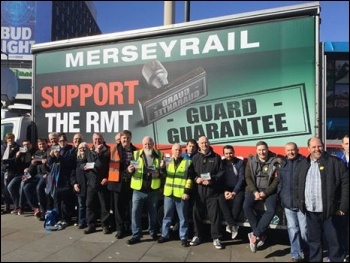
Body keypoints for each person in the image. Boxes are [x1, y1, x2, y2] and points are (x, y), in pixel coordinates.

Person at [294, 137, 348, 262]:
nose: (317, 149)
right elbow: (296, 185)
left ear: (323, 146)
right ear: (308, 149)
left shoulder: (336, 163)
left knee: (334, 242)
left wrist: (343, 207)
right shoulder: (303, 164)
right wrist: (299, 202)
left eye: (319, 146)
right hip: (311, 211)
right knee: (314, 242)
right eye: (313, 147)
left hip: (331, 211)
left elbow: (346, 185)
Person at [126, 136, 165, 245]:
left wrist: (161, 170)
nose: (147, 146)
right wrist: (129, 170)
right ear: (142, 145)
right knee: (135, 213)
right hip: (138, 190)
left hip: (153, 190)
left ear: (153, 144)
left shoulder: (159, 155)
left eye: (149, 143)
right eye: (145, 144)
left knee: (153, 214)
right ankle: (136, 235)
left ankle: (153, 232)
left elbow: (163, 172)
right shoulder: (136, 154)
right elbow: (130, 170)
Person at [243, 141, 280, 253]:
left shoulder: (275, 162)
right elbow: (248, 177)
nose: (262, 152)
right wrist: (255, 192)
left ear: (268, 149)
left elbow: (276, 180)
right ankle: (259, 233)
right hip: (254, 189)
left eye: (264, 149)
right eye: (259, 150)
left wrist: (266, 193)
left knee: (271, 210)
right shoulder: (251, 161)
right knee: (246, 206)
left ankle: (255, 234)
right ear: (256, 150)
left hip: (268, 191)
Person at [189, 136, 225, 250]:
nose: (204, 145)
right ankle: (197, 236)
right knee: (197, 216)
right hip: (198, 193)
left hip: (212, 192)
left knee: (215, 216)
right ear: (198, 145)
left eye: (206, 142)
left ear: (209, 143)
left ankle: (216, 238)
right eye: (202, 143)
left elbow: (222, 173)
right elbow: (191, 173)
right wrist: (196, 179)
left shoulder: (216, 157)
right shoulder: (195, 158)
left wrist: (212, 179)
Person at [157, 143, 195, 247]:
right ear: (172, 151)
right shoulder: (167, 161)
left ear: (182, 151)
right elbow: (162, 175)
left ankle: (183, 238)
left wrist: (187, 192)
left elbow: (190, 179)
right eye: (175, 150)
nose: (177, 152)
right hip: (169, 194)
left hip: (181, 195)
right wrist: (161, 168)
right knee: (167, 216)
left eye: (179, 150)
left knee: (183, 217)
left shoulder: (188, 162)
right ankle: (164, 235)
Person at [277, 142, 308, 262]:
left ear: (297, 150)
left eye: (293, 150)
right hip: (288, 203)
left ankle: (307, 252)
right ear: (285, 151)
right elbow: (280, 181)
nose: (290, 152)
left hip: (301, 203)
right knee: (292, 229)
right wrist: (280, 195)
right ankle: (296, 254)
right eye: (288, 150)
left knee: (304, 230)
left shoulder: (304, 162)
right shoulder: (282, 163)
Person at [108, 130, 137, 239]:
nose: (126, 140)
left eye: (128, 138)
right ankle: (120, 229)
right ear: (120, 139)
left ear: (131, 139)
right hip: (117, 183)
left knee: (129, 208)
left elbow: (138, 166)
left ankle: (128, 227)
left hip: (130, 183)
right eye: (124, 138)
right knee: (118, 208)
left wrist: (132, 170)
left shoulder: (136, 151)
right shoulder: (114, 149)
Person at [82, 132, 112, 234]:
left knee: (104, 206)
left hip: (102, 183)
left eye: (99, 139)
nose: (97, 141)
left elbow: (111, 167)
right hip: (91, 183)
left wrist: (107, 177)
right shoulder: (88, 151)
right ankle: (91, 225)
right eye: (95, 139)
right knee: (90, 205)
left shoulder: (108, 151)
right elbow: (81, 163)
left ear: (102, 140)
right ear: (93, 140)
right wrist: (83, 167)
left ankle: (105, 225)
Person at [47, 133, 77, 226]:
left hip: (66, 178)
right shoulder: (55, 148)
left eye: (63, 141)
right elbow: (49, 164)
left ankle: (66, 219)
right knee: (57, 200)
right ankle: (58, 218)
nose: (62, 143)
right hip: (56, 179)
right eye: (60, 141)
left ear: (66, 141)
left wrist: (59, 157)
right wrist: (51, 156)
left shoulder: (71, 149)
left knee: (65, 201)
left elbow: (69, 162)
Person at [218, 145, 245, 240]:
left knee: (238, 202)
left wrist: (234, 192)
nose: (228, 155)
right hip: (226, 188)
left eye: (230, 153)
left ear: (234, 152)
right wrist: (225, 191)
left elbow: (241, 179)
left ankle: (230, 224)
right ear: (223, 154)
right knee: (221, 200)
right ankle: (233, 225)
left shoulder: (240, 162)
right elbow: (221, 179)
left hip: (238, 188)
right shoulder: (221, 163)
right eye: (226, 153)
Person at [335, 134, 349, 262]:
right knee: (342, 228)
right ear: (342, 145)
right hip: (343, 199)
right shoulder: (338, 159)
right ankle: (344, 252)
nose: (349, 146)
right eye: (347, 143)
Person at [1, 133, 20, 214]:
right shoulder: (3, 147)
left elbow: (16, 159)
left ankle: (16, 206)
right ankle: (7, 206)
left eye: (12, 138)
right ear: (6, 139)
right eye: (9, 138)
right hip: (4, 170)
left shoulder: (17, 147)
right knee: (5, 190)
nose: (10, 140)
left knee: (11, 188)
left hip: (12, 171)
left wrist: (5, 161)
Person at [72, 141, 88, 229]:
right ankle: (81, 221)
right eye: (80, 148)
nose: (82, 150)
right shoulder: (76, 160)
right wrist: (74, 183)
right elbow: (72, 173)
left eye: (84, 148)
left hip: (88, 186)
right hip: (79, 186)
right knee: (81, 205)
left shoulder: (90, 159)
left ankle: (89, 221)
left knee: (88, 205)